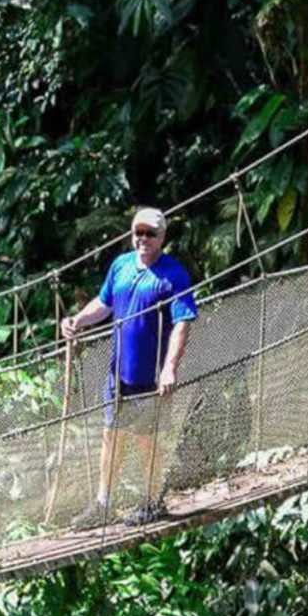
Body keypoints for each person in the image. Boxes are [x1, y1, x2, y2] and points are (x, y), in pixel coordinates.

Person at [61, 206, 197, 524]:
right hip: (118, 372)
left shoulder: (173, 275)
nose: (143, 239)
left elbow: (183, 323)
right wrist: (77, 321)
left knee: (145, 441)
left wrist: (170, 368)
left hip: (149, 377)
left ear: (162, 237)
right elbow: (104, 304)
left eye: (150, 234)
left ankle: (152, 503)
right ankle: (104, 504)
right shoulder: (121, 265)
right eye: (139, 232)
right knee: (111, 435)